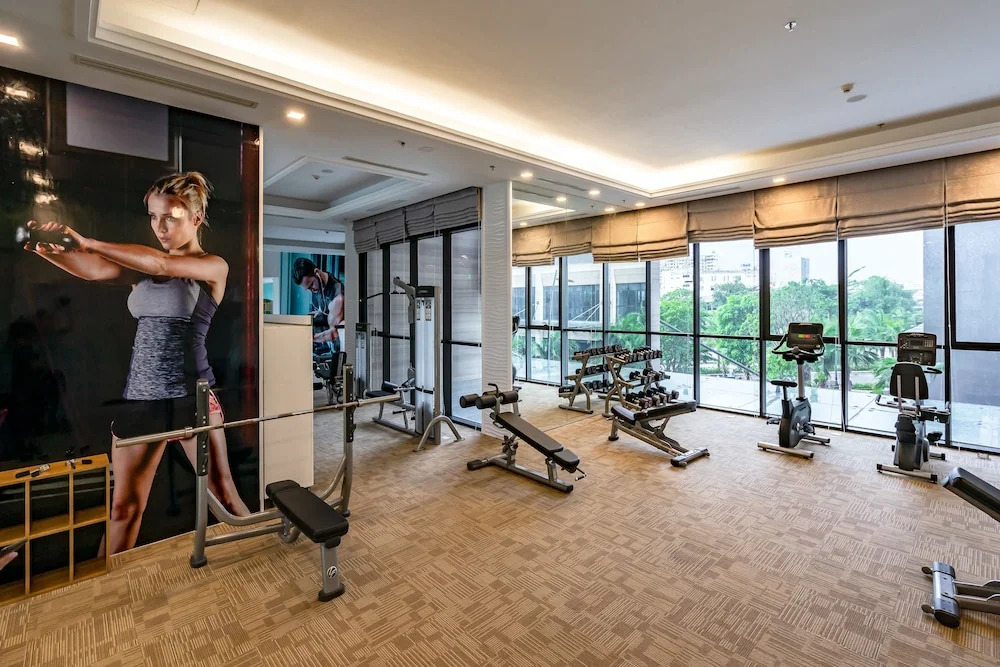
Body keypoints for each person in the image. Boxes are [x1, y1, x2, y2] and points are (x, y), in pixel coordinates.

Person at [23, 171, 251, 554]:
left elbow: (162, 264)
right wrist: (51, 251)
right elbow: (97, 270)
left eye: (170, 217)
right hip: (141, 399)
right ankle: (106, 587)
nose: (160, 227)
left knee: (224, 496)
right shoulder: (142, 267)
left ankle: (266, 559)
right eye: (153, 216)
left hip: (190, 397)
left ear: (196, 218)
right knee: (124, 510)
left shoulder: (213, 266)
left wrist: (88, 241)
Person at [292, 257, 344, 352]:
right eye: (308, 288)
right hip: (332, 346)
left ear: (317, 272)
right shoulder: (319, 286)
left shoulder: (337, 298)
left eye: (311, 284)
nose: (312, 290)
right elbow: (322, 311)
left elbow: (333, 334)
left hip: (342, 348)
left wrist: (307, 338)